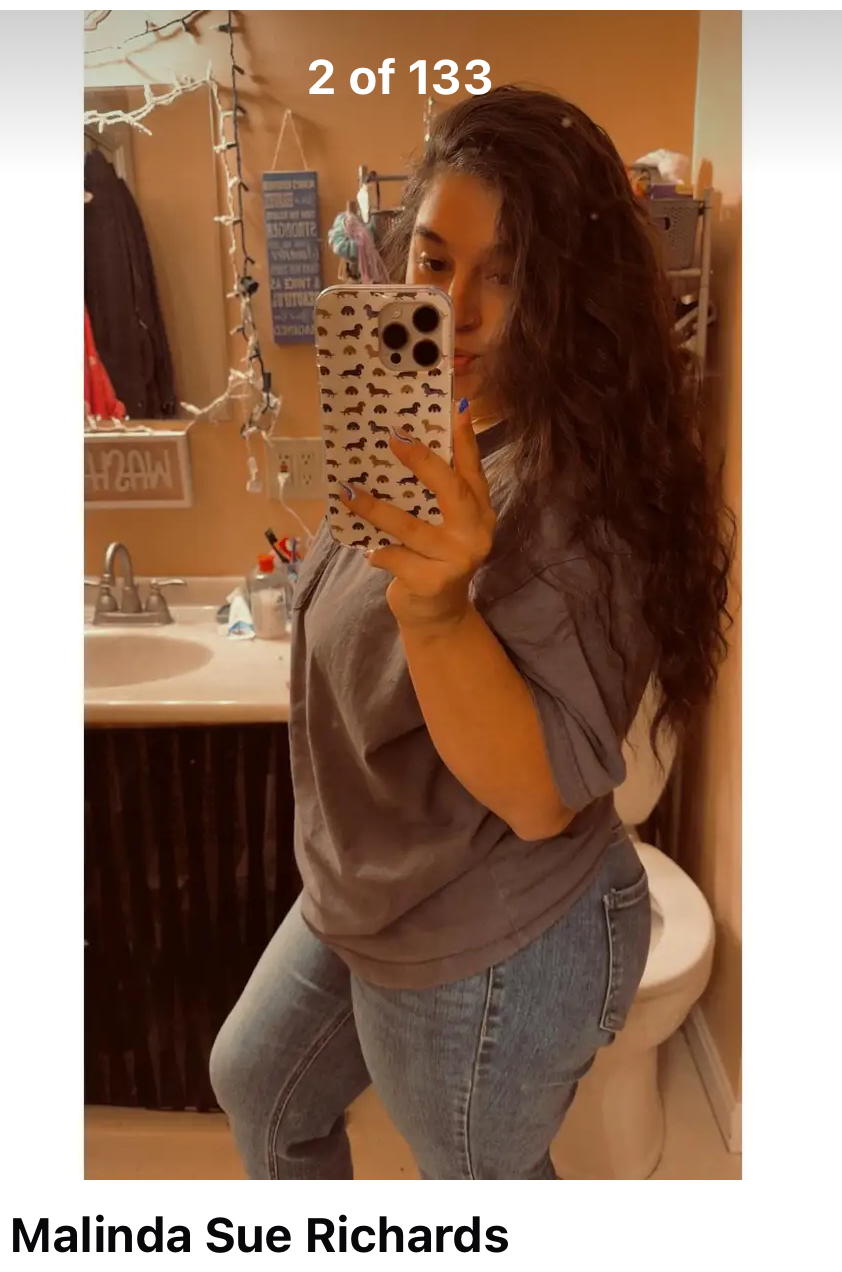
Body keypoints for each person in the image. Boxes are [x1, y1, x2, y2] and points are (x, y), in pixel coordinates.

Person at [210, 86, 734, 1180]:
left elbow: (540, 797)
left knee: (477, 1199)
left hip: (485, 934)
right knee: (258, 1082)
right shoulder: (442, 428)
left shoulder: (578, 498)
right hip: (373, 883)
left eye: (509, 274)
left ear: (570, 295)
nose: (457, 311)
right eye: (435, 261)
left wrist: (438, 609)